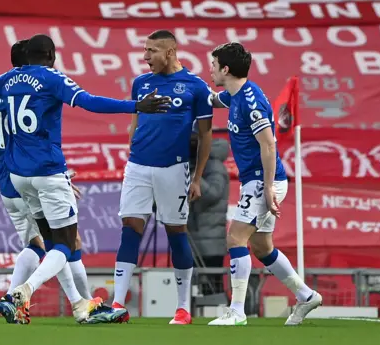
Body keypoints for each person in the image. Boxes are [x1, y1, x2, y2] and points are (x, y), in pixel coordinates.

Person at [0, 34, 170, 323]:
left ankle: (81, 306)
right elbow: (89, 102)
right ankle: (24, 291)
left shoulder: (8, 79)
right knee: (66, 244)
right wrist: (136, 106)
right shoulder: (52, 79)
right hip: (48, 171)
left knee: (51, 244)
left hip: (18, 177)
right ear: (51, 54)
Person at [207, 42, 322, 326]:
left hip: (262, 181)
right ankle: (306, 296)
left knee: (235, 238)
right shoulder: (234, 95)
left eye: (213, 64)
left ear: (225, 69)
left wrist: (268, 187)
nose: (210, 69)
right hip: (259, 181)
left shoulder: (250, 100)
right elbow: (212, 99)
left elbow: (269, 145)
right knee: (261, 246)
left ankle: (236, 312)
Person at [0, 41, 100, 324]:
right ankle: (21, 295)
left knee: (41, 244)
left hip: (8, 180)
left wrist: (2, 178)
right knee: (62, 242)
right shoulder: (34, 92)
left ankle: (76, 303)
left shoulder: (0, 96)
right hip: (30, 176)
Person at [111, 30, 214, 325]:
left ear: (170, 52)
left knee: (175, 231)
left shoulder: (196, 87)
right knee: (130, 226)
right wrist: (132, 148)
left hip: (174, 168)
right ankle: (118, 303)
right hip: (138, 166)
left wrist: (197, 178)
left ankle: (182, 308)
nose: (146, 57)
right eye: (145, 50)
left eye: (152, 51)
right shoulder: (141, 84)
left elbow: (206, 136)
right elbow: (134, 122)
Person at [186, 121, 230, 296]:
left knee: (211, 288)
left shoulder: (214, 166)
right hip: (192, 237)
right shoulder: (192, 163)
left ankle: (219, 314)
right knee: (192, 286)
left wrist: (190, 175)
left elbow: (212, 194)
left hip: (210, 240)